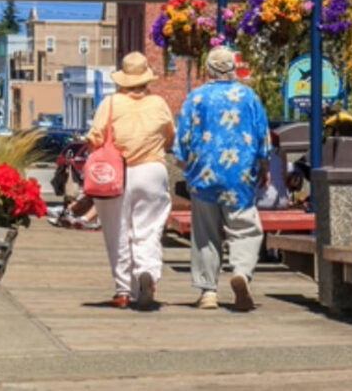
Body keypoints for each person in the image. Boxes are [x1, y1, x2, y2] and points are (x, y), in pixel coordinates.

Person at [173, 46, 272, 312]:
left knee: (205, 232)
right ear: (233, 68)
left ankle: (208, 291)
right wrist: (264, 166)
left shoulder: (196, 98)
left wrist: (186, 165)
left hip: (203, 174)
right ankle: (241, 271)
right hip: (238, 175)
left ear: (208, 68)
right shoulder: (249, 97)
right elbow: (263, 135)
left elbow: (182, 138)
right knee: (246, 229)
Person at [86, 52, 175, 311]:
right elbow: (170, 137)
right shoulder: (158, 103)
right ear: (146, 78)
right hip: (152, 170)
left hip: (117, 173)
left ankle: (124, 291)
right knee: (148, 229)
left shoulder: (111, 103)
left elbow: (95, 138)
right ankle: (147, 272)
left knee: (118, 232)